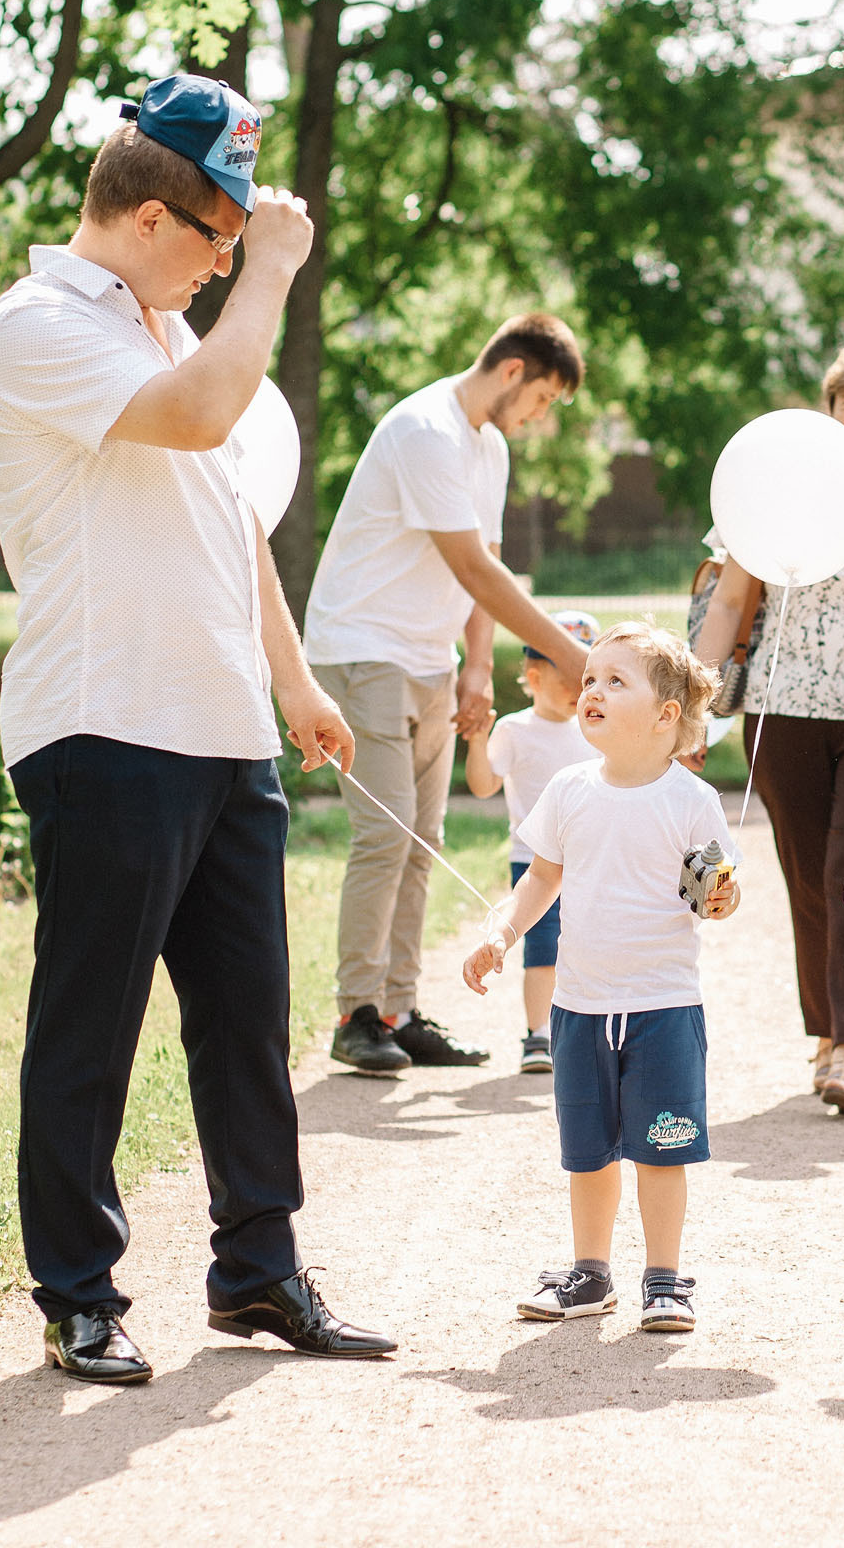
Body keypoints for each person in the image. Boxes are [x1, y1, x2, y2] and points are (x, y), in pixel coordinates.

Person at [0, 76, 393, 1384]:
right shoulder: (39, 325)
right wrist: (273, 270)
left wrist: (294, 684)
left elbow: (231, 525)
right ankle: (81, 1293)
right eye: (218, 240)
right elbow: (209, 416)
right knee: (90, 1024)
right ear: (153, 217)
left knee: (247, 1021)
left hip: (219, 730)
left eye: (235, 248)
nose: (227, 266)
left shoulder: (167, 332)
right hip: (103, 724)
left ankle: (259, 1275)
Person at [303, 315, 596, 1077]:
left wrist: (474, 668)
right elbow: (475, 570)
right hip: (361, 651)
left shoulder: (487, 446)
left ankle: (398, 1011)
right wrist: (576, 658)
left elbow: (487, 563)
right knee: (386, 837)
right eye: (544, 399)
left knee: (421, 843)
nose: (540, 419)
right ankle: (355, 1012)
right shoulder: (426, 430)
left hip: (429, 660)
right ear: (512, 372)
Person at [461, 624, 739, 1332]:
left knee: (660, 1149)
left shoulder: (691, 800)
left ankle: (665, 1281)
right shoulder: (568, 790)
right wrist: (503, 932)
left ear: (665, 714)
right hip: (581, 1007)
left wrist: (720, 895)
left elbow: (713, 890)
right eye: (590, 678)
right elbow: (542, 876)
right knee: (587, 1154)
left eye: (617, 681)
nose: (593, 691)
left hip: (664, 1007)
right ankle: (590, 1276)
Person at [690, 336, 844, 1114]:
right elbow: (729, 603)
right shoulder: (777, 485)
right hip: (784, 708)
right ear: (826, 409)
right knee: (808, 879)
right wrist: (690, 707)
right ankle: (826, 1035)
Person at [462, 608, 602, 1073]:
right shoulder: (516, 730)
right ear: (535, 674)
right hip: (534, 861)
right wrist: (478, 742)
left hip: (592, 859)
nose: (582, 689)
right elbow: (483, 785)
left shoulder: (597, 729)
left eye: (592, 677)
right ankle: (537, 1034)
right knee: (542, 948)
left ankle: (590, 1028)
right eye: (571, 676)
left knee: (591, 944)